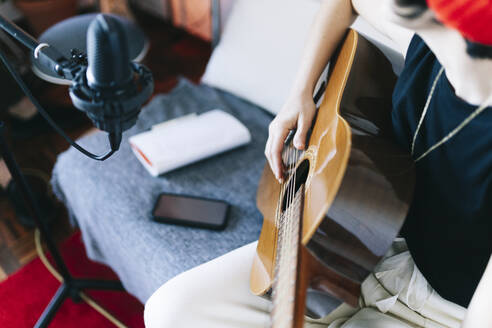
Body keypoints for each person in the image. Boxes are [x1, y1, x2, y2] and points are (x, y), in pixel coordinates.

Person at [144, 0, 492, 327]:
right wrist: (300, 94)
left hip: (449, 311)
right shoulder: (434, 44)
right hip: (372, 241)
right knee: (172, 309)